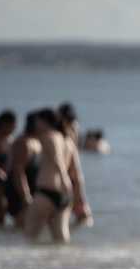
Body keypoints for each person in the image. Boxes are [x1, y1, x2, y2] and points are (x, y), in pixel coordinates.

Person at [24, 109, 84, 243]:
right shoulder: (69, 141)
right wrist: (79, 199)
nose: (35, 124)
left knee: (28, 237)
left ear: (45, 122)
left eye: (38, 121)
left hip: (46, 191)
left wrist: (63, 179)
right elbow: (77, 175)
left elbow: (57, 158)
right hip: (65, 196)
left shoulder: (50, 135)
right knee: (61, 240)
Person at [55, 102, 92, 226]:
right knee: (81, 216)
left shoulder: (61, 129)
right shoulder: (74, 126)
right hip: (70, 169)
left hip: (65, 171)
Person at [7, 111, 42, 225]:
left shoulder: (36, 141)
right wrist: (25, 196)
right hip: (20, 192)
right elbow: (18, 171)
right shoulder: (23, 142)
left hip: (32, 191)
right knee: (21, 227)